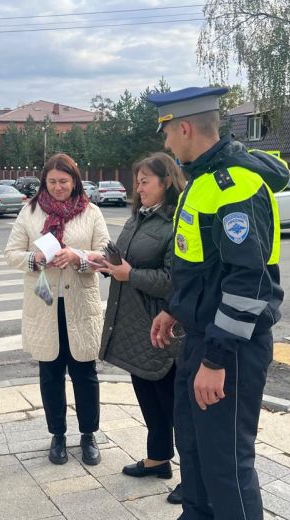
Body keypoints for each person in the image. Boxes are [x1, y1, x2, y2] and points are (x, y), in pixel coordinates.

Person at [147, 87, 289, 520]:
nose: (166, 144)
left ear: (185, 128)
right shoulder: (205, 179)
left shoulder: (235, 185)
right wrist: (176, 306)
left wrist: (216, 358)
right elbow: (204, 266)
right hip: (201, 338)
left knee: (226, 465)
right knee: (193, 452)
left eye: (167, 134)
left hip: (230, 349)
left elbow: (248, 283)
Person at [4, 153, 110, 466]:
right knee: (50, 372)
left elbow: (105, 255)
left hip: (80, 303)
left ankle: (89, 435)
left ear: (75, 180)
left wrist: (78, 256)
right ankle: (58, 435)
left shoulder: (90, 212)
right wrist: (36, 260)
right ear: (44, 182)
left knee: (85, 373)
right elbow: (11, 254)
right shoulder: (30, 211)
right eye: (52, 182)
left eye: (64, 181)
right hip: (45, 304)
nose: (58, 187)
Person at [93, 152, 186, 505]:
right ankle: (158, 458)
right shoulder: (138, 218)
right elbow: (126, 262)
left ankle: (192, 479)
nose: (139, 187)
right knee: (147, 396)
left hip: (161, 328)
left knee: (174, 406)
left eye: (146, 181)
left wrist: (129, 274)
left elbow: (174, 279)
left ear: (166, 183)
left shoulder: (175, 222)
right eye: (138, 180)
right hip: (132, 324)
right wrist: (108, 265)